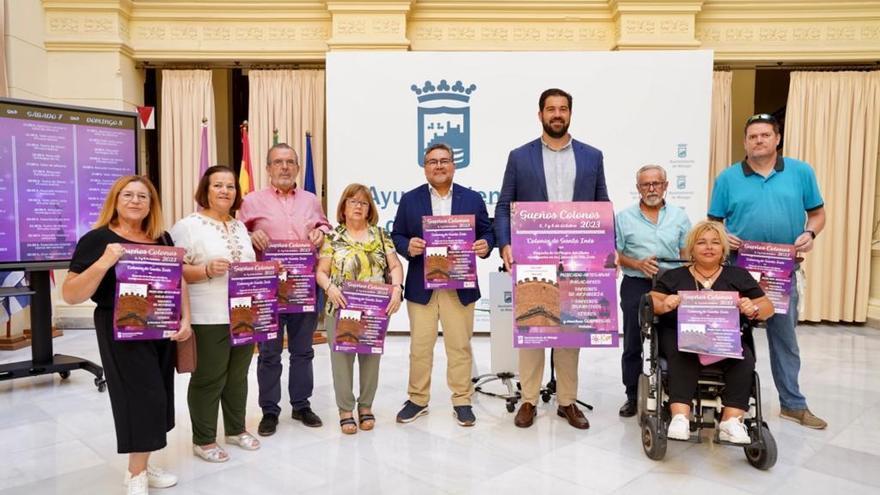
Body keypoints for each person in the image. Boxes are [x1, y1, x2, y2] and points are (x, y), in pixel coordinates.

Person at [63, 175, 191, 495]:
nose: (135, 201)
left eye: (143, 197)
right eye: (128, 195)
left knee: (159, 396)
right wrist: (105, 262)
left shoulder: (161, 238)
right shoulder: (97, 240)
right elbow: (71, 294)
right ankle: (136, 475)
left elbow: (179, 281)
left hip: (160, 328)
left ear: (151, 205)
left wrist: (185, 319)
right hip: (120, 330)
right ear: (116, 200)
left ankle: (144, 464)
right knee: (141, 398)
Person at [495, 88, 609, 429]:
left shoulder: (592, 156)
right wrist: (505, 244)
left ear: (570, 113)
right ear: (540, 114)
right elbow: (504, 205)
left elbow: (601, 204)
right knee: (534, 327)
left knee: (570, 333)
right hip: (533, 258)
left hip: (578, 259)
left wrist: (606, 250)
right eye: (550, 109)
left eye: (562, 109)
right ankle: (528, 399)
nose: (556, 114)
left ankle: (567, 402)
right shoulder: (519, 156)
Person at [708, 113, 827, 429]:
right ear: (745, 141)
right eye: (752, 136)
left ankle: (793, 404)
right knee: (730, 337)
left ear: (777, 139)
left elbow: (817, 214)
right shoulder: (728, 178)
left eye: (764, 135)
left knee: (784, 338)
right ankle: (729, 403)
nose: (758, 140)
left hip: (781, 271)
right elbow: (714, 222)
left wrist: (810, 234)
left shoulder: (801, 172)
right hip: (738, 269)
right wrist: (722, 236)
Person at [391, 142, 495, 426]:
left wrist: (486, 244)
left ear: (453, 165)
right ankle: (417, 399)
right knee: (420, 347)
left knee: (459, 346)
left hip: (459, 286)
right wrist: (407, 246)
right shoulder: (410, 200)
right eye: (433, 161)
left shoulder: (472, 199)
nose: (439, 165)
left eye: (444, 160)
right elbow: (397, 234)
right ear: (425, 168)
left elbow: (488, 231)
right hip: (421, 287)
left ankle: (462, 400)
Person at [650, 220, 774, 443]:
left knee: (743, 358)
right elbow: (651, 301)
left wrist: (753, 308)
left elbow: (767, 307)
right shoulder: (674, 276)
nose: (709, 247)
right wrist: (665, 302)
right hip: (681, 336)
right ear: (691, 248)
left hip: (725, 338)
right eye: (701, 242)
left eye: (715, 242)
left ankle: (731, 421)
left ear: (723, 248)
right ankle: (680, 417)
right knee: (684, 352)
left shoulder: (738, 276)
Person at [239, 142, 331, 435]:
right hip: (268, 289)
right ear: (268, 168)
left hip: (303, 286)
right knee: (269, 353)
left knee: (303, 351)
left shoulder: (311, 199)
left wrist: (321, 232)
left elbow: (327, 227)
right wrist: (252, 234)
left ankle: (301, 404)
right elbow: (238, 233)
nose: (285, 167)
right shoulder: (252, 200)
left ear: (298, 168)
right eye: (278, 162)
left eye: (290, 162)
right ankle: (269, 409)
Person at [170, 165, 259, 463]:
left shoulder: (240, 226)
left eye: (230, 186)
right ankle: (204, 438)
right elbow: (173, 271)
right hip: (207, 316)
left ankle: (235, 429)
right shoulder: (187, 226)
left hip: (244, 315)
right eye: (218, 185)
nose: (224, 191)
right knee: (209, 378)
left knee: (238, 376)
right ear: (205, 190)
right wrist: (206, 270)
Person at [316, 183, 404, 434]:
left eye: (363, 202)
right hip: (340, 308)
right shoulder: (333, 237)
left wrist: (397, 289)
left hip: (374, 311)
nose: (358, 206)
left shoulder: (380, 235)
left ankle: (365, 407)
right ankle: (345, 410)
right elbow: (321, 272)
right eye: (352, 201)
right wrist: (329, 287)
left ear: (370, 209)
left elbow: (395, 266)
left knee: (370, 359)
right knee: (341, 360)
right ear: (343, 207)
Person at [615, 164, 691, 417]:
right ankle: (631, 394)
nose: (651, 188)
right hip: (636, 283)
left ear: (666, 185)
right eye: (645, 184)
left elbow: (686, 253)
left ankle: (671, 393)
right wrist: (637, 263)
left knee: (672, 338)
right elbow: (614, 253)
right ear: (638, 188)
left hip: (670, 285)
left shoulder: (679, 217)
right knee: (633, 342)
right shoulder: (623, 218)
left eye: (656, 183)